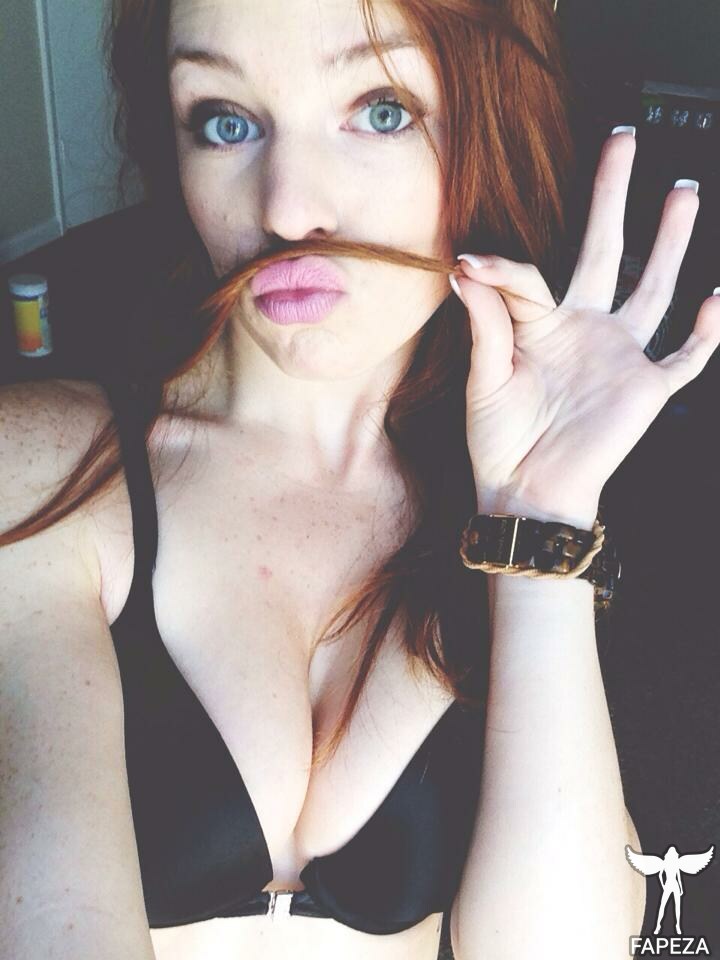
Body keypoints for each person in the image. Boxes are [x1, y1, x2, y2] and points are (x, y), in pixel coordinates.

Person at [1, 0, 718, 958]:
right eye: (224, 120)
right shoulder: (46, 469)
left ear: (488, 125)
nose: (286, 208)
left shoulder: (509, 497)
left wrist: (537, 517)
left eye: (381, 110)